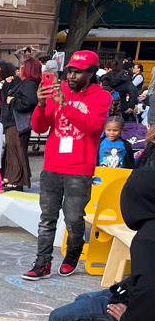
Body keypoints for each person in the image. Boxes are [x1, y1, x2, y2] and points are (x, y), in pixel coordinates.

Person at [48, 166, 155, 321]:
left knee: (62, 319)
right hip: (147, 310)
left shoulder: (148, 238)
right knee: (83, 301)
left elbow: (151, 289)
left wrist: (130, 318)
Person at [25, 50, 113, 279]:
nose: (72, 76)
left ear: (92, 73)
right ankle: (42, 263)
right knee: (47, 218)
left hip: (79, 168)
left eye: (78, 72)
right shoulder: (58, 89)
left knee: (74, 219)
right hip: (53, 165)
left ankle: (73, 253)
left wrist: (64, 105)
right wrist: (42, 105)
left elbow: (91, 126)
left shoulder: (101, 96)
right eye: (70, 71)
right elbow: (39, 127)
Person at [4, 57, 41, 191]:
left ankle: (16, 180)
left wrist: (13, 101)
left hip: (17, 123)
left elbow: (29, 101)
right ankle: (12, 178)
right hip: (13, 122)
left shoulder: (29, 84)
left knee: (16, 151)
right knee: (13, 151)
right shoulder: (26, 83)